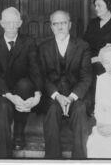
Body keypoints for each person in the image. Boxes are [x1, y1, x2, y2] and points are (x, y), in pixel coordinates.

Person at [0, 7, 43, 158]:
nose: (11, 26)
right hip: (2, 91)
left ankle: (19, 133)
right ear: (1, 24)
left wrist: (37, 95)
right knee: (4, 107)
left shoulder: (29, 42)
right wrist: (10, 96)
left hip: (22, 90)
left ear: (20, 23)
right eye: (7, 23)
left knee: (25, 84)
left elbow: (35, 69)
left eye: (14, 22)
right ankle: (4, 155)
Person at [39, 10, 92, 159]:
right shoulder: (43, 47)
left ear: (70, 24)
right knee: (51, 110)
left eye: (63, 22)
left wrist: (72, 97)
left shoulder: (82, 46)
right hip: (53, 95)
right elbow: (42, 77)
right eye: (56, 23)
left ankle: (79, 159)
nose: (60, 26)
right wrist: (57, 96)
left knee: (80, 109)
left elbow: (86, 77)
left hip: (75, 95)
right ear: (51, 27)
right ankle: (52, 158)